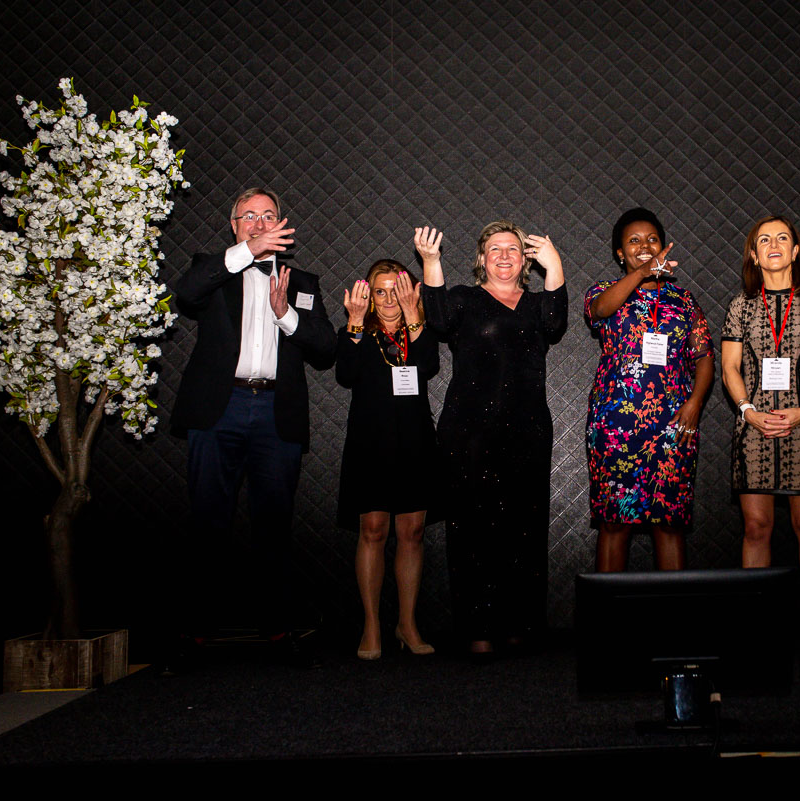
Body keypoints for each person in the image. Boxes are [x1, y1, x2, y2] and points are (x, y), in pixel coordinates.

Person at [171, 187, 335, 666]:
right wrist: (246, 254)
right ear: (234, 224)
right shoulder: (214, 268)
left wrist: (287, 316)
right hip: (218, 409)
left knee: (274, 526)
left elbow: (325, 348)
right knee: (208, 522)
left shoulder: (302, 280)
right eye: (250, 216)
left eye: (269, 216)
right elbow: (186, 292)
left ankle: (277, 631)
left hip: (275, 413)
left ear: (282, 223)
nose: (260, 223)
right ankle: (196, 632)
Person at [417, 222, 567, 657]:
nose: (505, 255)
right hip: (469, 434)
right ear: (481, 259)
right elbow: (439, 319)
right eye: (495, 249)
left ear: (526, 261)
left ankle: (519, 624)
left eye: (514, 250)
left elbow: (556, 322)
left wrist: (555, 265)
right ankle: (477, 627)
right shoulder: (464, 298)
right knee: (472, 531)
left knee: (525, 530)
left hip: (527, 432)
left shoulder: (538, 305)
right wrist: (431, 262)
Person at [721, 215, 800, 637]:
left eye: (782, 238)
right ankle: (756, 625)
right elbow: (730, 368)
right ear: (754, 255)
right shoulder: (740, 305)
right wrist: (748, 411)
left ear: (794, 251)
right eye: (763, 240)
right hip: (753, 428)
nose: (773, 244)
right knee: (756, 527)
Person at [585, 208, 713, 571]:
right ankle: (608, 624)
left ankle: (672, 626)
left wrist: (695, 404)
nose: (644, 245)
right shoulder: (603, 292)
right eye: (634, 241)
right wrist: (642, 273)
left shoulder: (684, 301)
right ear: (619, 253)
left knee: (669, 524)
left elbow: (704, 358)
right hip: (615, 427)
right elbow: (599, 309)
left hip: (673, 424)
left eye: (652, 239)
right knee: (614, 523)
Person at [337, 260, 438, 659]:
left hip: (414, 441)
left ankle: (407, 624)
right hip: (371, 442)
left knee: (412, 532)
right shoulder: (359, 331)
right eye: (380, 291)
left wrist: (415, 318)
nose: (389, 299)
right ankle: (372, 626)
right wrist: (355, 322)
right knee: (373, 530)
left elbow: (428, 366)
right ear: (370, 296)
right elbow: (345, 372)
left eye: (396, 290)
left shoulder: (418, 331)